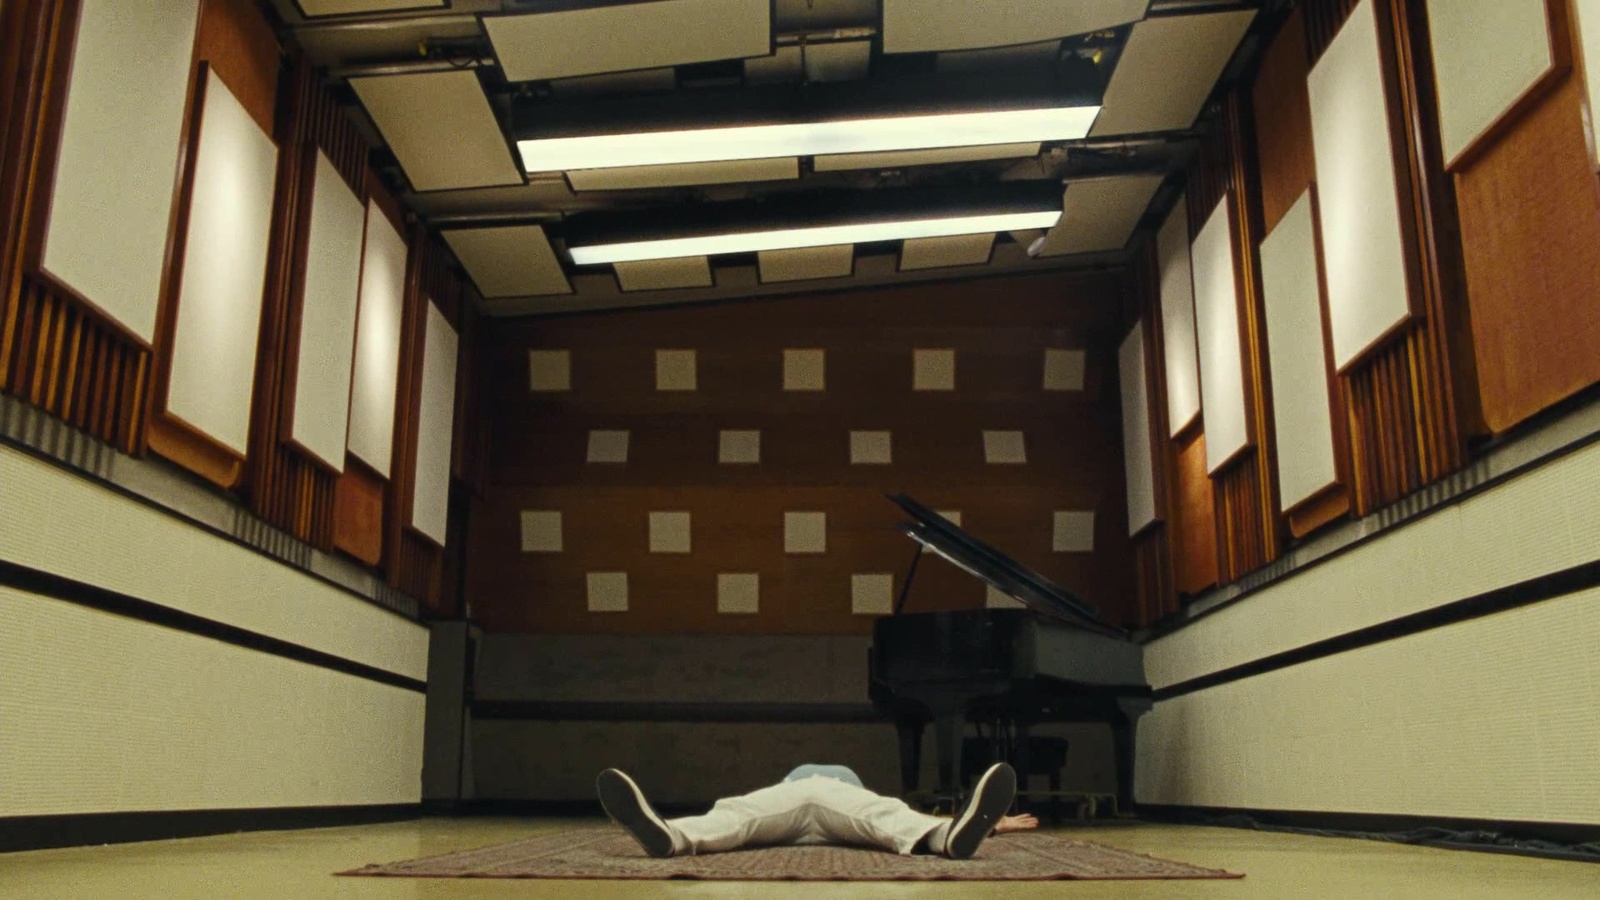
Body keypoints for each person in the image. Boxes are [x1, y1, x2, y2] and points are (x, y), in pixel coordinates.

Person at [596, 761, 1030, 860]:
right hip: (811, 798)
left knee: (737, 813)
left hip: (809, 800)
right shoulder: (814, 781)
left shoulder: (833, 784)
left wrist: (992, 825)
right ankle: (944, 837)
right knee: (890, 815)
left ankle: (673, 836)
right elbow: (884, 812)